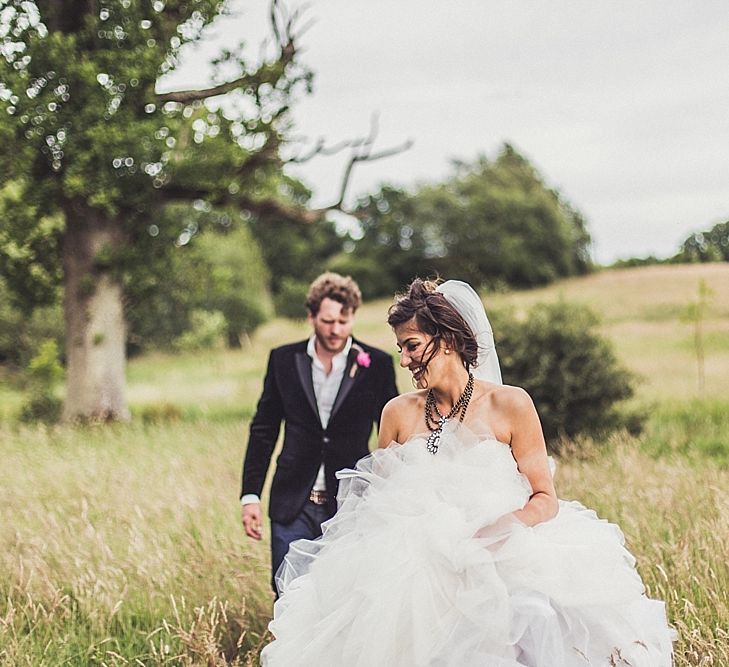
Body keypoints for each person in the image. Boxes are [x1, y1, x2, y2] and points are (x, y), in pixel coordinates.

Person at [260, 278, 675, 666]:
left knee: (533, 613)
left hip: (503, 551)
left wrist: (502, 528)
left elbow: (545, 498)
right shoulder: (398, 413)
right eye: (399, 348)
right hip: (413, 566)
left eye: (412, 346)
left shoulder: (511, 405)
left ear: (449, 341)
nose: (403, 360)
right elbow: (372, 503)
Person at [240, 272, 398, 592]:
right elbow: (264, 429)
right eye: (327, 321)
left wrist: (393, 496)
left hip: (350, 505)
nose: (336, 329)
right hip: (292, 502)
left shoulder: (377, 364)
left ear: (353, 316)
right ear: (311, 317)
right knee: (288, 595)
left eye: (344, 320)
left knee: (343, 595)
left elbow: (393, 434)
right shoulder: (283, 359)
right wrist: (250, 495)